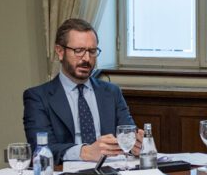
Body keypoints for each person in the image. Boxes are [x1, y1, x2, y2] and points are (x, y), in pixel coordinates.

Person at [23, 18, 139, 163]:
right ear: (60, 51)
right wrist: (84, 152)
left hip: (112, 174)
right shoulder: (38, 97)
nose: (86, 58)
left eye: (92, 51)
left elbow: (128, 134)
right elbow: (40, 149)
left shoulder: (111, 92)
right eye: (78, 51)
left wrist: (137, 142)